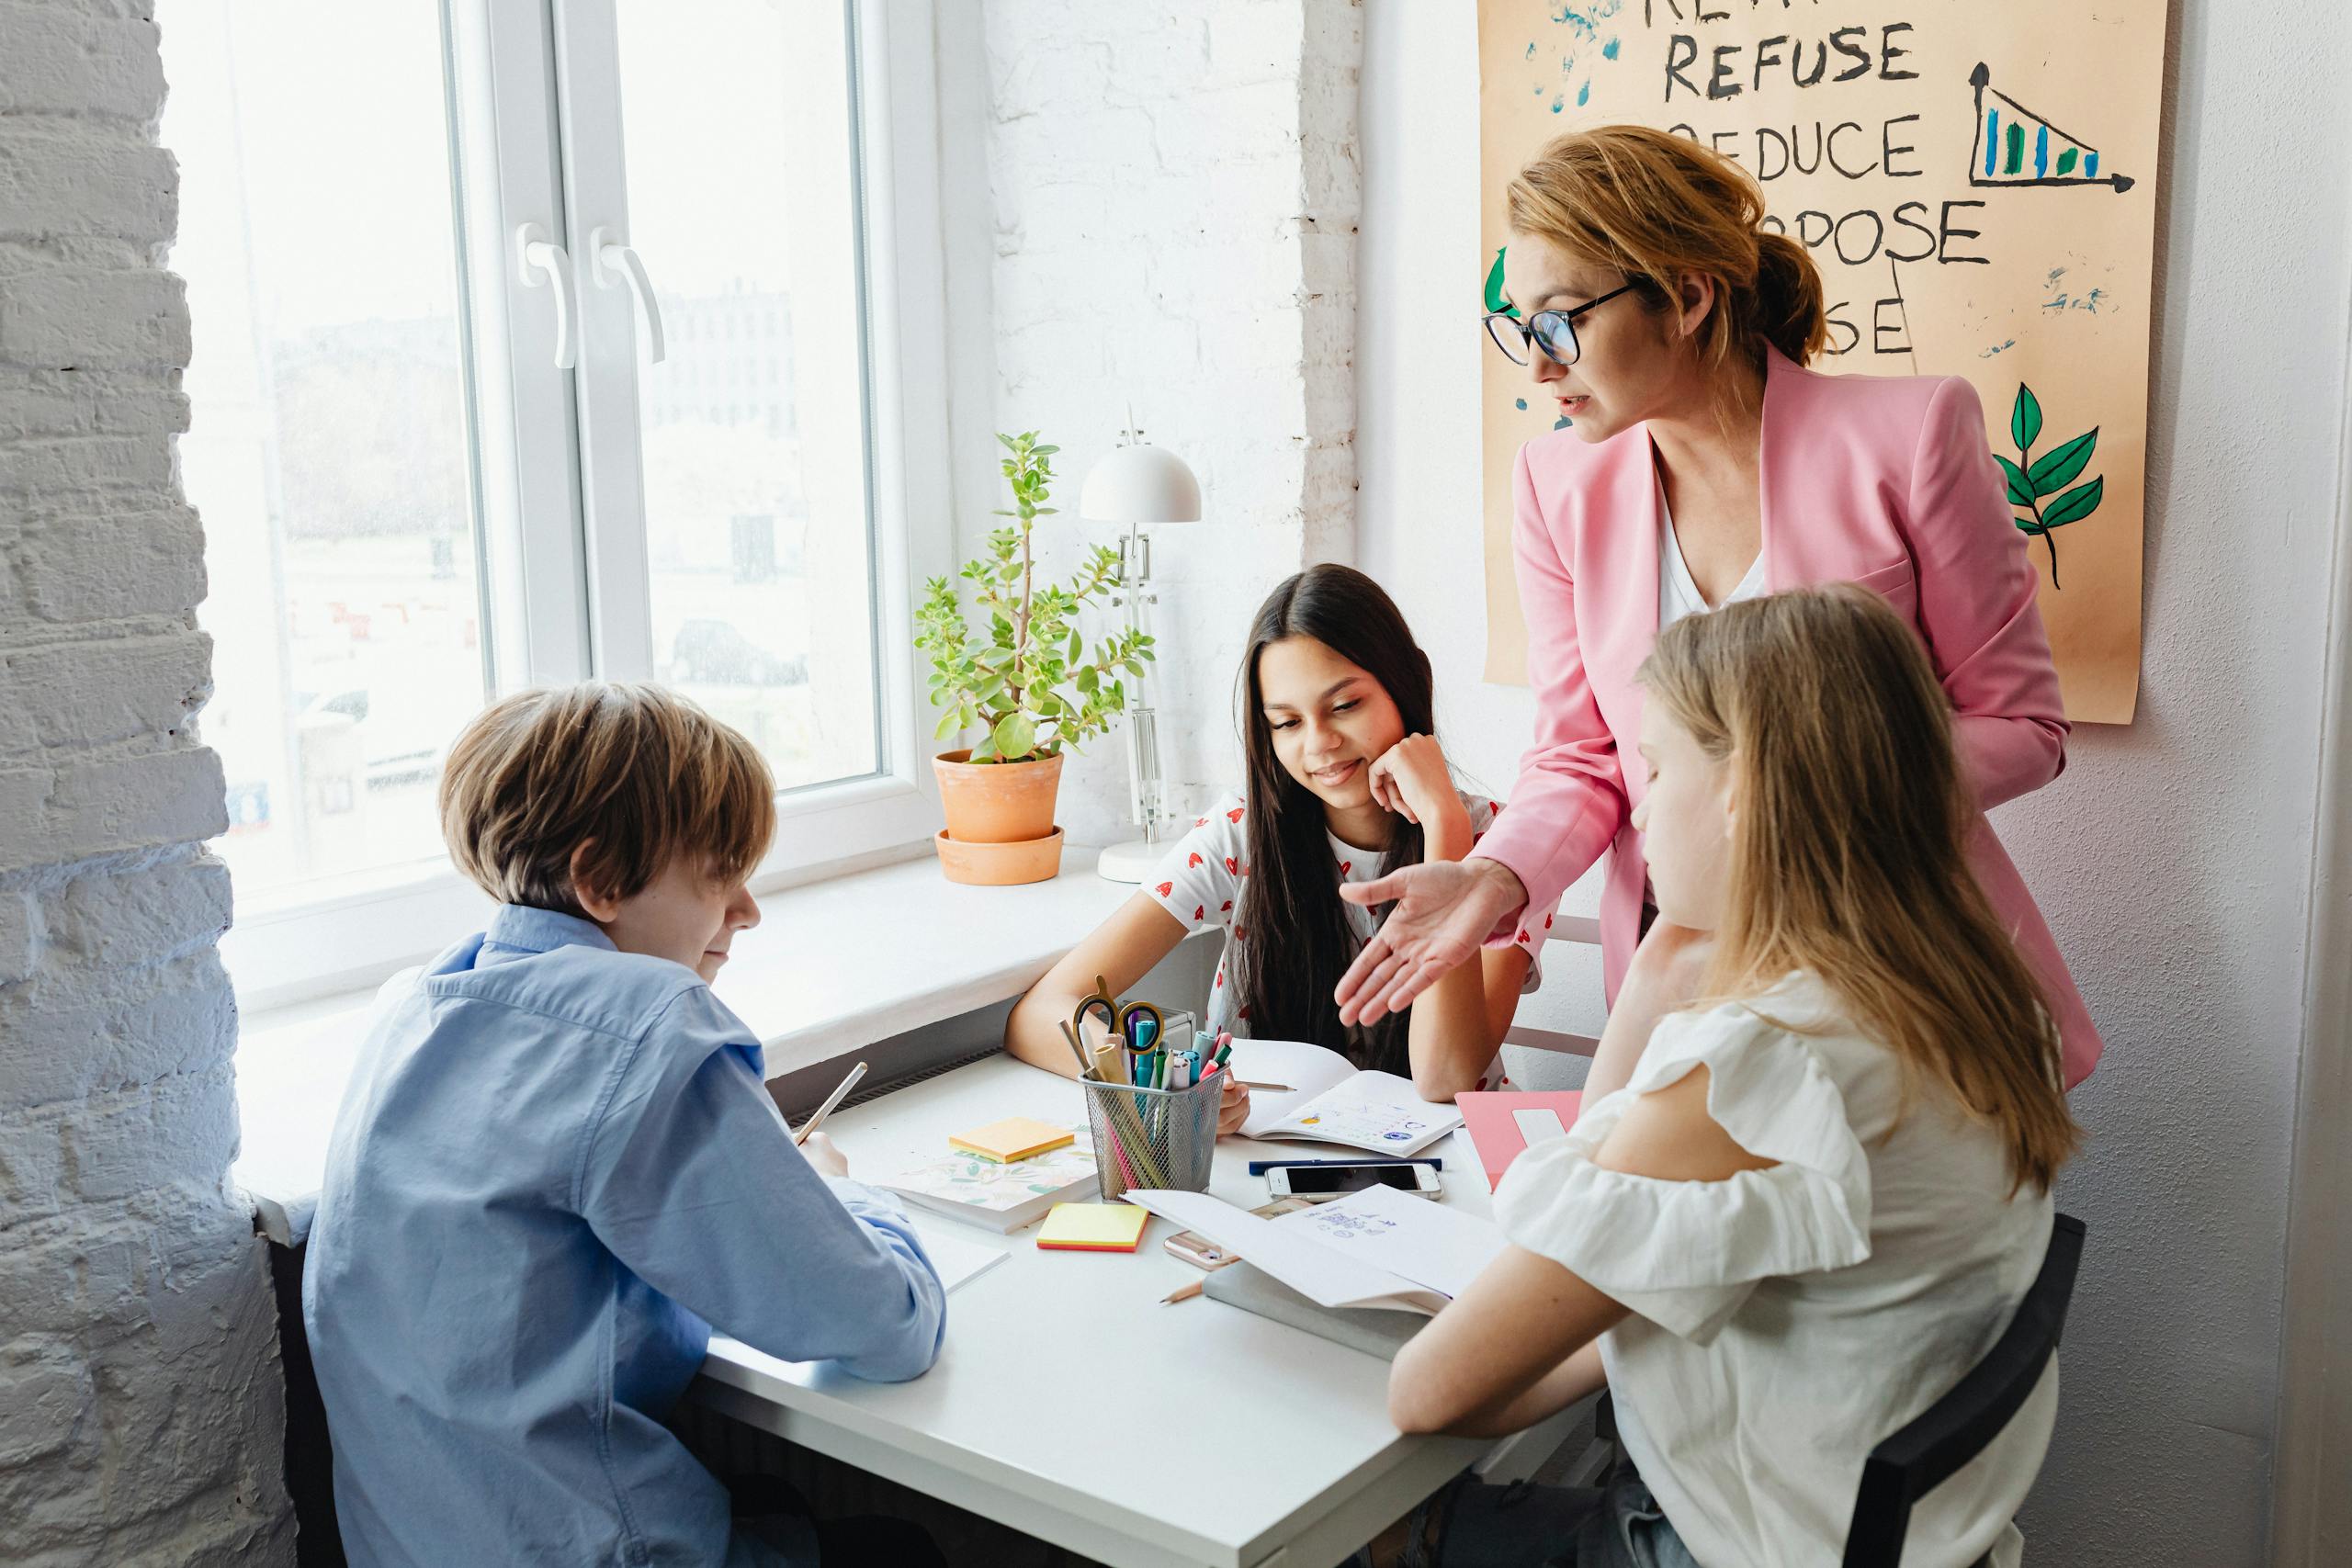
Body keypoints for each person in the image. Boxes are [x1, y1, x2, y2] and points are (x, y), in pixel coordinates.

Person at [1335, 125, 2099, 1103]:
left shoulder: (1908, 433)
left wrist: (1787, 795)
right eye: (1519, 327)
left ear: (1689, 297)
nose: (1536, 365)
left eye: (1560, 320)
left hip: (1894, 965)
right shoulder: (1554, 484)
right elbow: (1580, 757)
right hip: (1683, 979)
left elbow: (2022, 728)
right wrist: (1497, 877)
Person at [1386, 586, 2081, 1567]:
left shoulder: (1767, 1059)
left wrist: (1665, 962)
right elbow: (1607, 1241)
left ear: (1741, 787)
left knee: (1361, 1527)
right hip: (1886, 1537)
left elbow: (1426, 1392)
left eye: (1655, 768)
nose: (1637, 802)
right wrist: (1671, 949)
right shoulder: (1974, 992)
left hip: (1719, 1544)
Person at [304, 683, 947, 1568]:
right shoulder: (645, 1029)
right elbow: (886, 1326)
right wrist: (844, 1197)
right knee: (900, 1547)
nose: (748, 909)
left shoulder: (412, 1009)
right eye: (721, 869)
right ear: (601, 880)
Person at [1006, 565, 1556, 1118]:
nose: (1320, 745)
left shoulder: (1504, 851)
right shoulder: (1240, 834)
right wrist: (1161, 1093)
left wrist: (1445, 826)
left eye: (1345, 706)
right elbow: (1040, 1015)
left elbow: (1447, 1077)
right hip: (1269, 1167)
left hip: (1451, 1168)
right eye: (1287, 723)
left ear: (1405, 683)